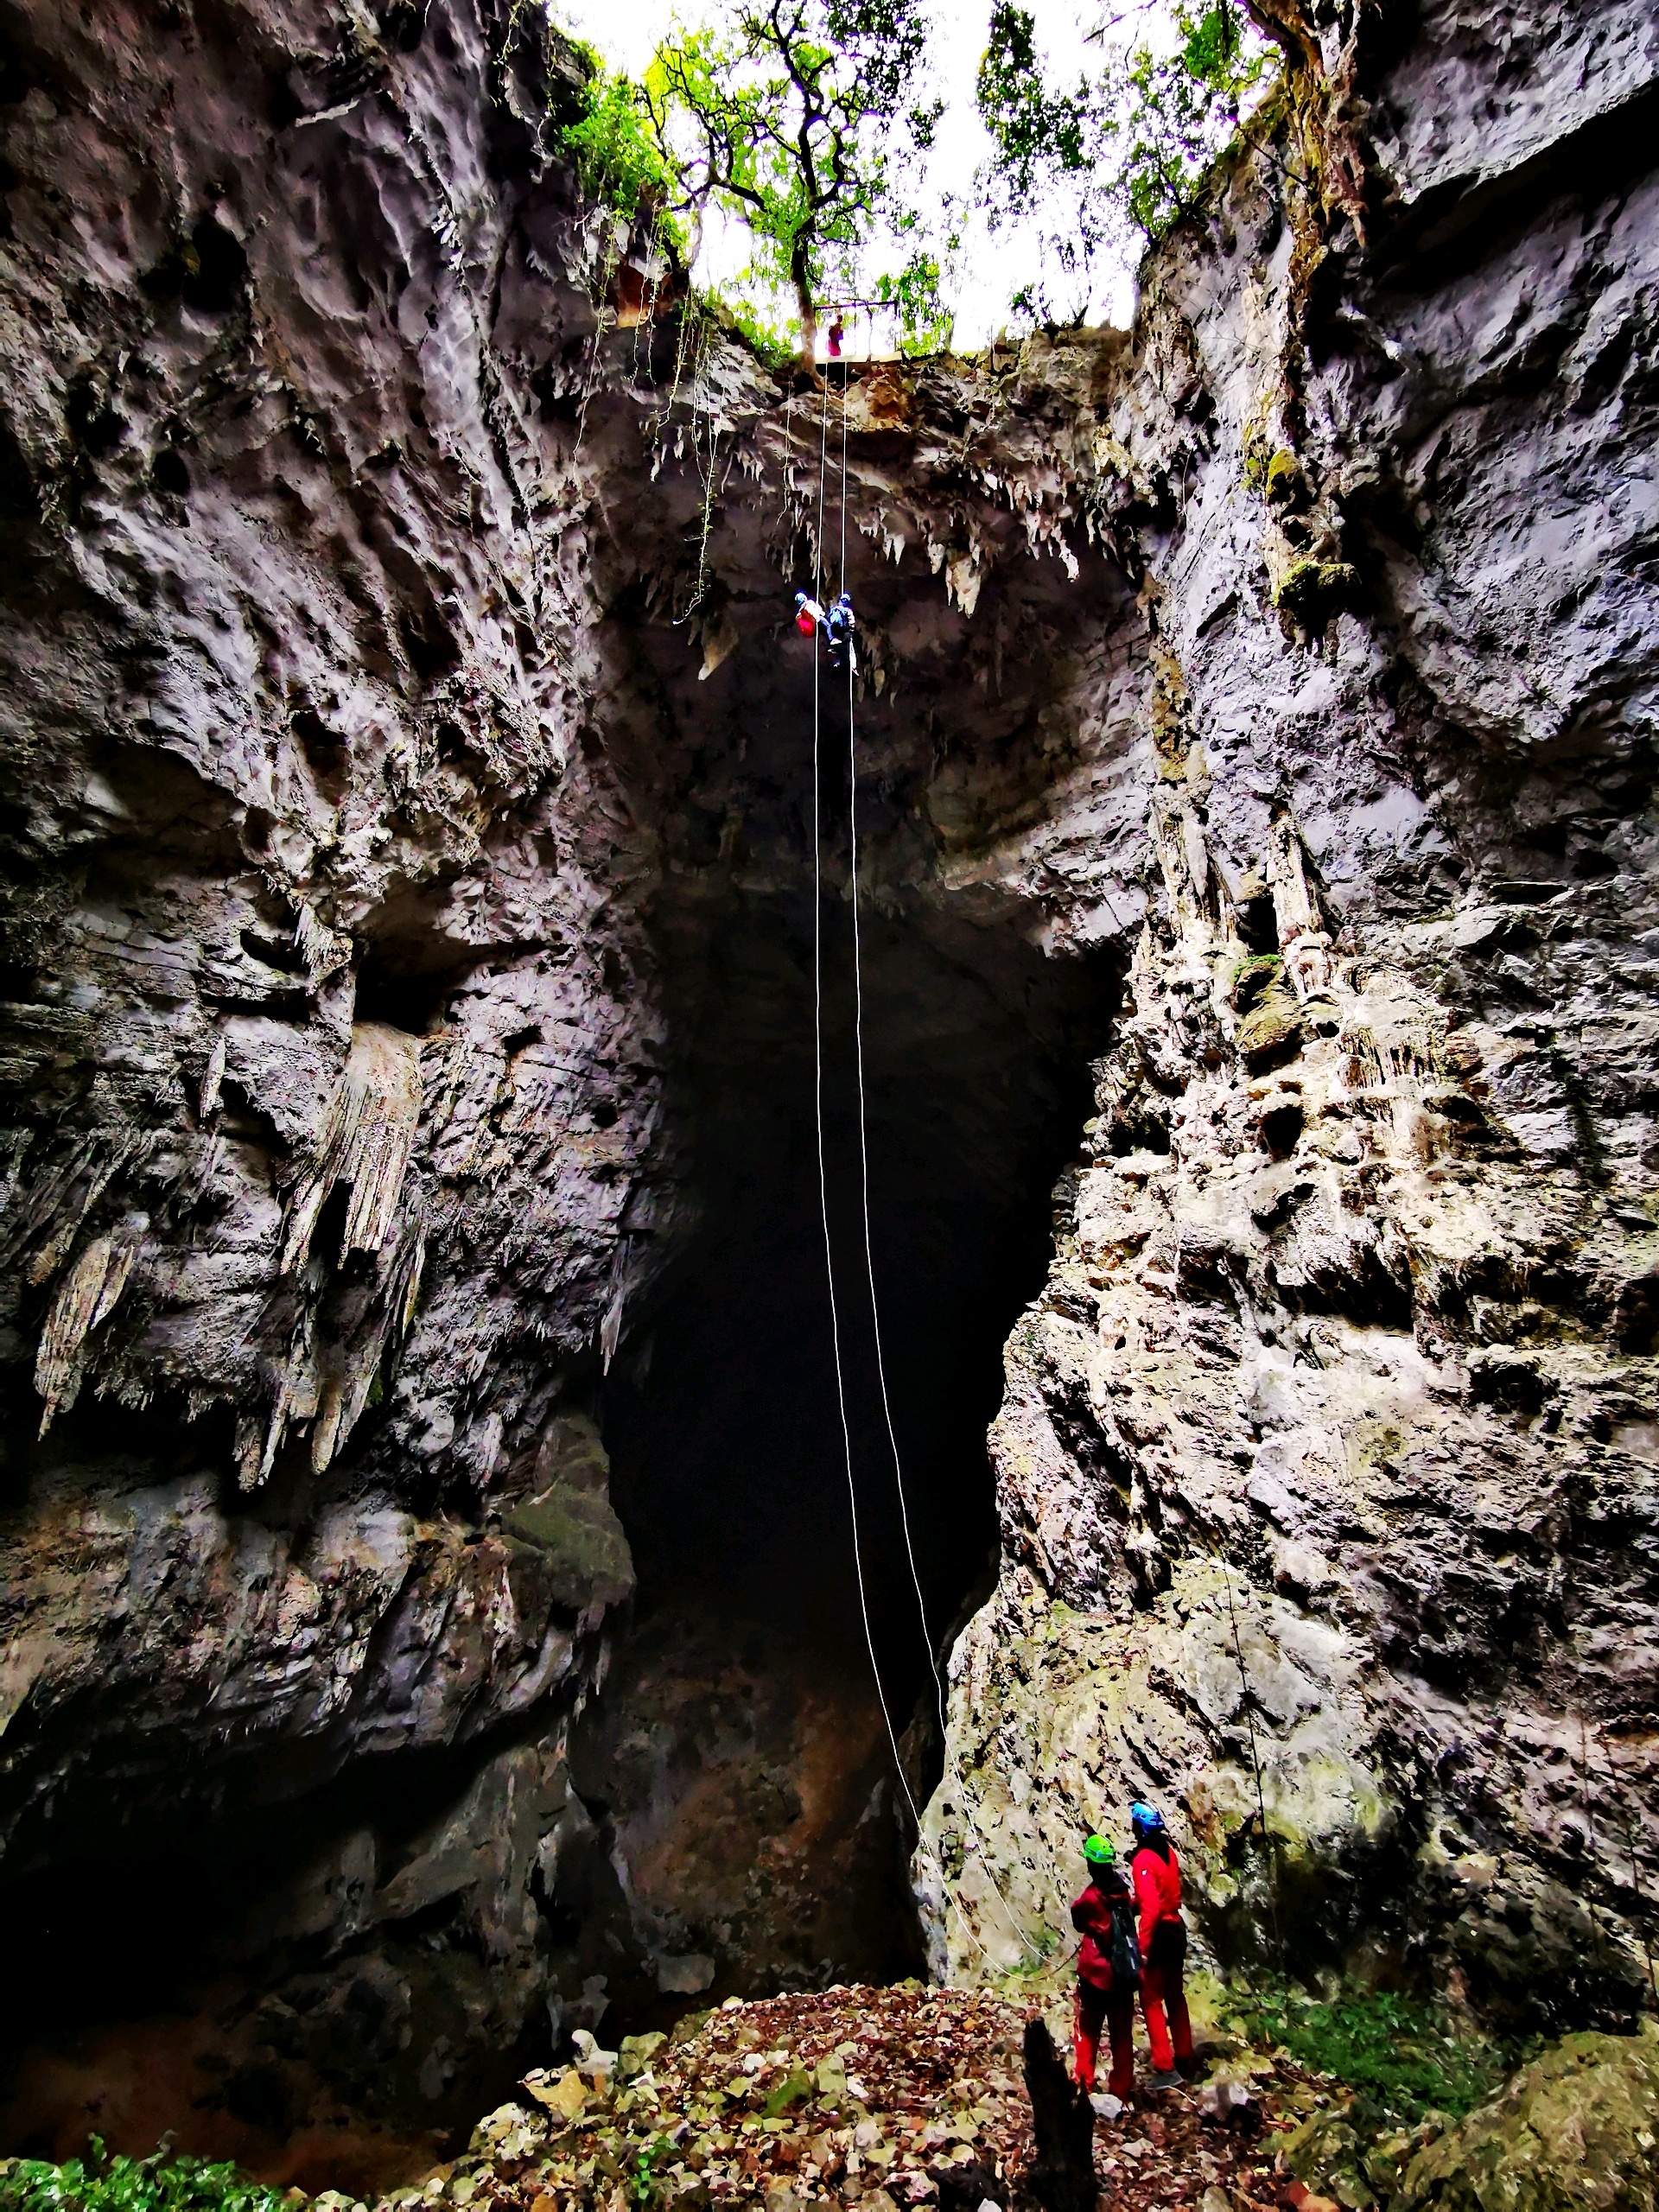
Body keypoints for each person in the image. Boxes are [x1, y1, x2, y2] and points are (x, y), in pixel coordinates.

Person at [1128, 1801, 1194, 2088]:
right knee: (1175, 1996)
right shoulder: (1168, 1852)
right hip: (1176, 1929)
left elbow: (1152, 1908)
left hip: (1161, 1934)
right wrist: (1134, 1904)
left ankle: (1166, 2068)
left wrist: (1142, 1950)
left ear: (1139, 1827)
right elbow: (1162, 1893)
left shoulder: (1143, 1859)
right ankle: (1186, 2056)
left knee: (1152, 1999)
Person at [1069, 1834, 1138, 2101]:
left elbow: (1078, 1918)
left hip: (1096, 1975)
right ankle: (1121, 2088)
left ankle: (1083, 2083)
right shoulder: (1122, 1891)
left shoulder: (1090, 1899)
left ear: (1091, 1864)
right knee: (1122, 2035)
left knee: (1088, 2030)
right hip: (1124, 1974)